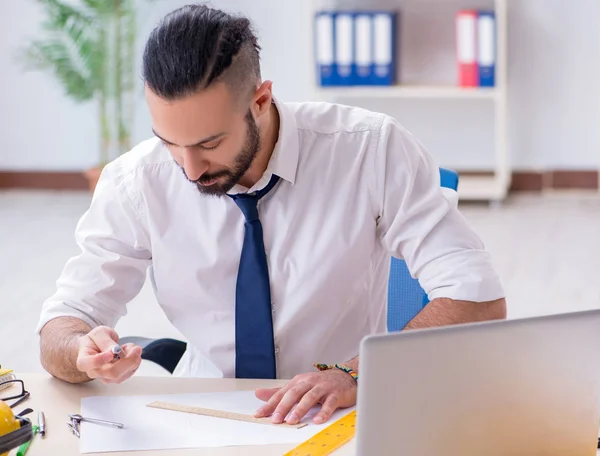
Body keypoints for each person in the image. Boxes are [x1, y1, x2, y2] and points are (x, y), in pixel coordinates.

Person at [37, 4, 506, 426]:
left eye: (209, 143)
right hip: (204, 412)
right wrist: (78, 352)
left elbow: (478, 299)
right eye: (169, 142)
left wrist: (355, 375)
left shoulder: (371, 149)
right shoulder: (136, 181)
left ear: (260, 101)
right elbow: (64, 321)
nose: (190, 169)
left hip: (339, 407)